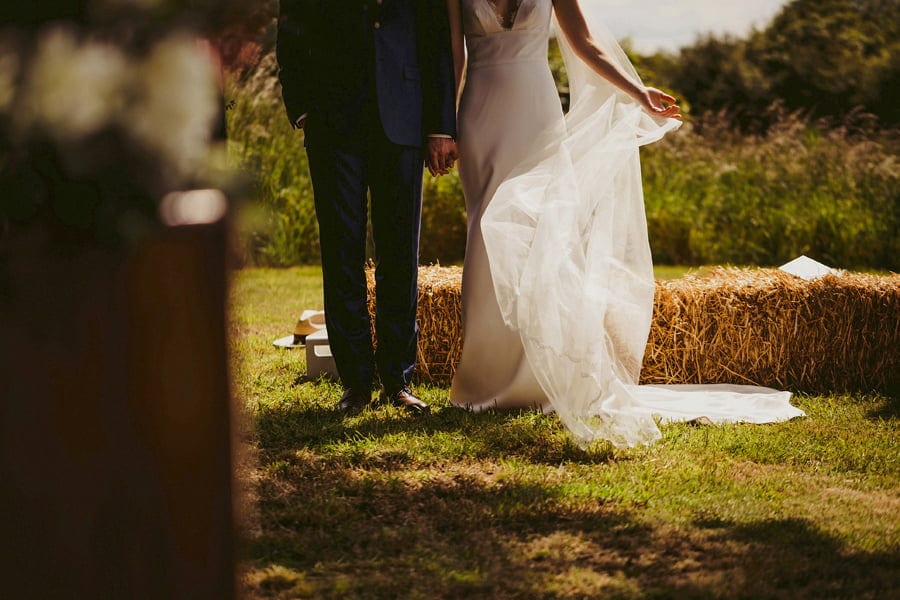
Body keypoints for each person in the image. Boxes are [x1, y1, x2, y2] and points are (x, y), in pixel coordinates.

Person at [446, 0, 805, 447]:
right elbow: (454, 58)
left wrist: (638, 92)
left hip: (537, 112)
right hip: (481, 113)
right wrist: (442, 126)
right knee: (485, 233)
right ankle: (484, 378)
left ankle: (545, 377)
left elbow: (586, 44)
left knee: (548, 236)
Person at [277, 0, 458, 413]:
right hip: (332, 123)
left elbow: (435, 43)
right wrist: (303, 109)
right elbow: (290, 31)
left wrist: (440, 125)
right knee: (342, 251)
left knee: (399, 254)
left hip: (405, 117)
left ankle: (397, 380)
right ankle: (355, 384)